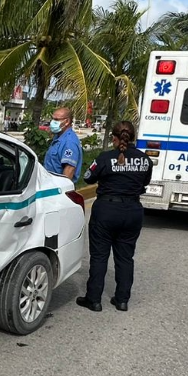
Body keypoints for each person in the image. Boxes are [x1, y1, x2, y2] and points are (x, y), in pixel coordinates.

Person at [76, 120, 152, 313]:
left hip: (106, 210)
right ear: (133, 137)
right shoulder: (145, 160)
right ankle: (122, 300)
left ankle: (94, 300)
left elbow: (88, 177)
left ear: (114, 138)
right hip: (132, 211)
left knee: (100, 256)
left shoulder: (104, 158)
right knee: (126, 257)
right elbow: (145, 183)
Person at [43, 107, 83, 179]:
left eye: (56, 120)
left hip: (57, 187)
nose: (52, 122)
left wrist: (62, 189)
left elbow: (69, 170)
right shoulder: (58, 137)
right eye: (53, 118)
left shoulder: (69, 142)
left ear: (67, 121)